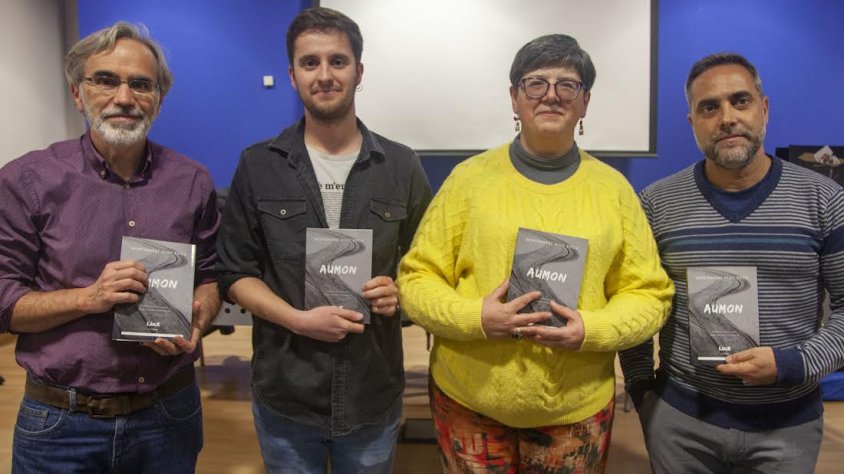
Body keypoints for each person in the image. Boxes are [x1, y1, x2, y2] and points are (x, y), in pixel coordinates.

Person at [396, 34, 673, 473]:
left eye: (567, 85)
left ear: (584, 103)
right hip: (469, 403)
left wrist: (591, 329)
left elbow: (650, 294)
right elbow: (415, 279)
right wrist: (477, 319)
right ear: (514, 97)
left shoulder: (614, 192)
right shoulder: (468, 180)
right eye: (535, 83)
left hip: (574, 410)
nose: (551, 95)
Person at [215, 7, 432, 473]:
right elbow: (235, 272)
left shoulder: (401, 165)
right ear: (292, 75)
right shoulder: (258, 165)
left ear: (359, 71)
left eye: (338, 61)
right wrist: (296, 319)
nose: (325, 75)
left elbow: (428, 266)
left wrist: (402, 295)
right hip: (287, 392)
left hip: (372, 390)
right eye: (310, 63)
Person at [0, 22, 220, 473]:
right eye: (105, 80)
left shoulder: (192, 181)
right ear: (78, 94)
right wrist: (90, 297)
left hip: (168, 413)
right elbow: (4, 301)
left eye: (141, 84)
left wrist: (197, 318)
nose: (124, 97)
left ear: (158, 99)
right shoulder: (28, 180)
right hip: (61, 424)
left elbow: (211, 277)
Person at [619, 53, 844, 474]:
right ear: (692, 122)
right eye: (709, 107)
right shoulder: (656, 204)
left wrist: (793, 363)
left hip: (787, 427)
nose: (726, 118)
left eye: (740, 101)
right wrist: (640, 389)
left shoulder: (824, 200)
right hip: (680, 424)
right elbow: (636, 302)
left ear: (764, 108)